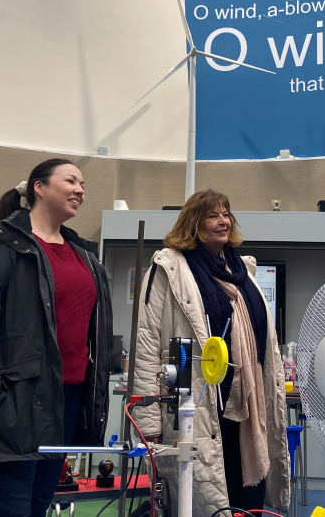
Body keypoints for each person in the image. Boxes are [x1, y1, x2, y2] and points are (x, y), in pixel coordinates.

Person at [0, 158, 112, 517]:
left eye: (83, 184)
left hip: (67, 403)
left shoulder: (84, 254)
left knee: (38, 507)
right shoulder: (2, 242)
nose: (80, 190)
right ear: (39, 187)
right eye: (71, 180)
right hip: (16, 400)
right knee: (8, 509)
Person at [130, 189, 289, 517]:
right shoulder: (169, 268)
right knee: (200, 496)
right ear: (194, 223)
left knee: (247, 492)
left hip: (247, 406)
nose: (224, 221)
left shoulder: (244, 274)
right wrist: (148, 422)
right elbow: (149, 345)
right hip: (196, 402)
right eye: (214, 215)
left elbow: (265, 346)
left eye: (227, 214)